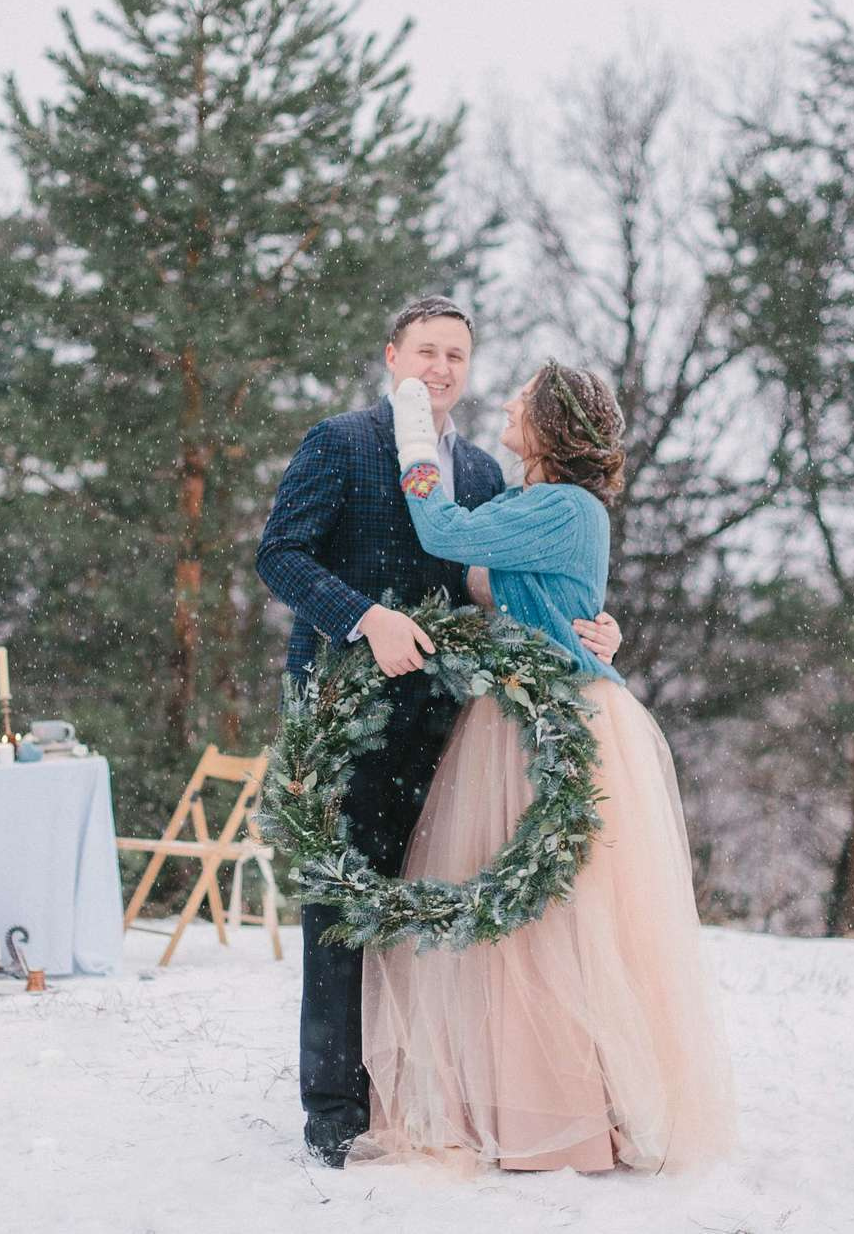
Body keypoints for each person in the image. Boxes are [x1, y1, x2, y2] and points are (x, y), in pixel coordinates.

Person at [255, 296, 624, 1168]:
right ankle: (336, 1110)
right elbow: (280, 554)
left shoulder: (485, 472)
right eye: (426, 350)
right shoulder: (340, 442)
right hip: (343, 713)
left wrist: (595, 629)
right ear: (393, 357)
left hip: (451, 726)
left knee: (428, 910)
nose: (441, 367)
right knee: (342, 908)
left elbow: (514, 588)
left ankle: (415, 1090)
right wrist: (364, 618)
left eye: (456, 354)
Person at [347, 364, 738, 1175]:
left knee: (555, 923)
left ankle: (561, 1116)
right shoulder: (540, 504)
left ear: (551, 425)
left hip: (553, 723)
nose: (508, 402)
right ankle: (520, 1100)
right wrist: (588, 617)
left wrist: (413, 432)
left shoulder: (562, 506)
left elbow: (443, 532)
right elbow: (510, 582)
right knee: (522, 923)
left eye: (523, 398)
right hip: (519, 712)